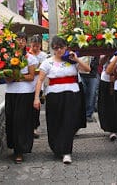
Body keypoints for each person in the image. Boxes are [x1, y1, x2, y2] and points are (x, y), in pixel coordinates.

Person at [33, 36, 90, 164]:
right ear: (53, 49)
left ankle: (67, 151)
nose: (59, 50)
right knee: (55, 122)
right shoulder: (48, 62)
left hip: (72, 94)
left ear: (66, 47)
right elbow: (40, 80)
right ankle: (57, 147)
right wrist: (36, 97)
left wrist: (76, 60)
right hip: (54, 95)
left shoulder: (72, 60)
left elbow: (88, 69)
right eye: (56, 48)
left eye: (61, 47)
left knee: (69, 122)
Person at [5, 31, 38, 164]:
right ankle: (14, 148)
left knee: (21, 122)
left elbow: (31, 77)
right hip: (10, 93)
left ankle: (21, 150)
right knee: (11, 121)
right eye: (18, 39)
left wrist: (17, 77)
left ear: (26, 42)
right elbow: (6, 78)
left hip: (25, 94)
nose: (20, 42)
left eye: (23, 40)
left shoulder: (30, 58)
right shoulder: (8, 57)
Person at [28, 34, 48, 139]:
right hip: (28, 84)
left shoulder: (44, 56)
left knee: (36, 107)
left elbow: (43, 71)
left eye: (37, 46)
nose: (35, 48)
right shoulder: (26, 54)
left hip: (39, 84)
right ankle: (29, 127)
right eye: (33, 46)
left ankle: (35, 127)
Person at [97, 53, 117, 141]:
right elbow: (101, 63)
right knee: (107, 105)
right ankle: (111, 129)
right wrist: (107, 54)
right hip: (106, 79)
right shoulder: (105, 50)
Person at [79, 56, 99, 122]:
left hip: (93, 75)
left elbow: (97, 62)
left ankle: (88, 114)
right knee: (81, 94)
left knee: (92, 95)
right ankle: (81, 113)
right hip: (80, 74)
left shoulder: (95, 52)